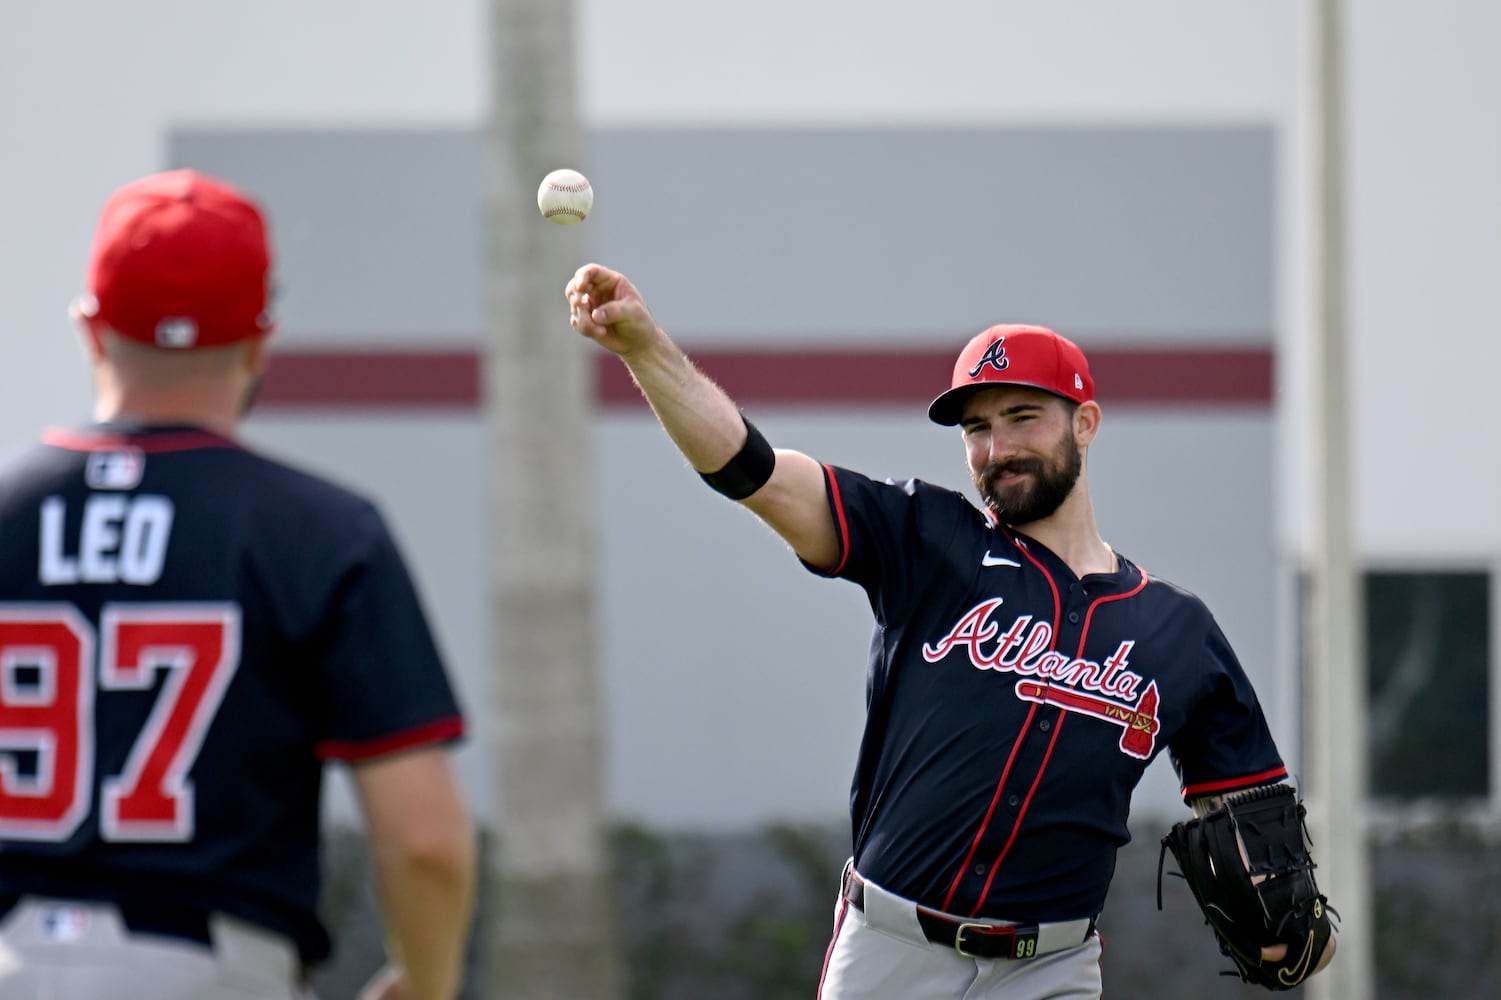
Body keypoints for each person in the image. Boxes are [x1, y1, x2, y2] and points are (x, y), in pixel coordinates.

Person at [563, 263, 1336, 998]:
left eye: (1022, 416)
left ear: (1085, 422)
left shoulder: (1178, 633)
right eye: (976, 428)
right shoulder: (926, 541)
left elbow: (1249, 808)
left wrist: (1292, 923)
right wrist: (644, 347)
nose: (997, 448)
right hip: (892, 955)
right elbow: (752, 470)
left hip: (1052, 971)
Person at [0, 169, 476, 1000]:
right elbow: (425, 843)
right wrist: (427, 985)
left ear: (90, 328)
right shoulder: (322, 529)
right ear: (261, 341)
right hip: (207, 966)